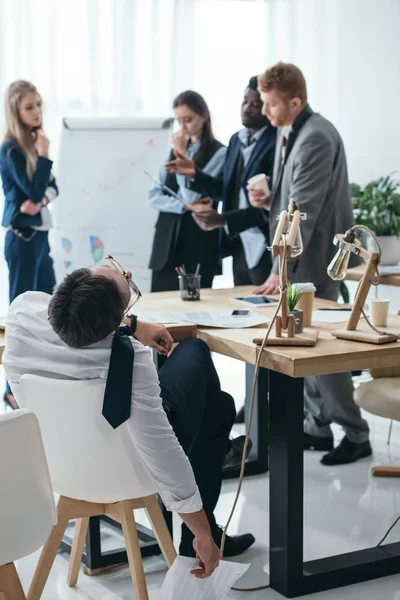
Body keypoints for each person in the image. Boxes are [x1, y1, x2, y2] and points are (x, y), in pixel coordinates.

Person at [3, 256, 255, 569]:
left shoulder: (22, 312)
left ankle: (214, 439)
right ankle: (209, 516)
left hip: (58, 465)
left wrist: (133, 325)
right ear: (112, 326)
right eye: (125, 281)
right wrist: (202, 533)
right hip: (128, 466)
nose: (127, 271)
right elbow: (162, 453)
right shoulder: (127, 357)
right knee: (197, 356)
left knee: (218, 407)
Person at [248, 62, 371, 466]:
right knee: (307, 344)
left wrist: (279, 269)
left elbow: (304, 211)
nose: (264, 111)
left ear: (295, 101)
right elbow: (292, 198)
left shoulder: (316, 136)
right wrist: (271, 202)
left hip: (313, 260)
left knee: (320, 348)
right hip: (303, 259)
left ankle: (355, 433)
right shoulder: (294, 130)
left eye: (270, 104)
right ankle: (318, 424)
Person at [165, 76, 276, 287]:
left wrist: (223, 219)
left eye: (256, 104)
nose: (247, 109)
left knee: (266, 308)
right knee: (243, 308)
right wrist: (194, 174)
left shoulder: (275, 141)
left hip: (264, 243)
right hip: (238, 243)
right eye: (245, 101)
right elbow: (224, 190)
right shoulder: (237, 139)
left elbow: (271, 205)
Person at [0, 80, 58, 410]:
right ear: (16, 111)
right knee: (20, 315)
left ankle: (39, 379)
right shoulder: (10, 149)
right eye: (29, 107)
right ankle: (10, 388)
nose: (37, 112)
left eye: (39, 105)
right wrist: (44, 156)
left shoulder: (34, 143)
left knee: (51, 308)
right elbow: (35, 192)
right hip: (21, 240)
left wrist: (43, 196)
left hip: (40, 238)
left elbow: (52, 189)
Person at [148, 91, 226, 292]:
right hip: (166, 244)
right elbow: (153, 196)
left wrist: (181, 155)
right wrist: (184, 206)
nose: (183, 127)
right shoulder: (171, 151)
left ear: (204, 115)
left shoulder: (219, 152)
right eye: (179, 121)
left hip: (197, 244)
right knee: (160, 306)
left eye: (188, 120)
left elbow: (192, 194)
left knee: (194, 309)